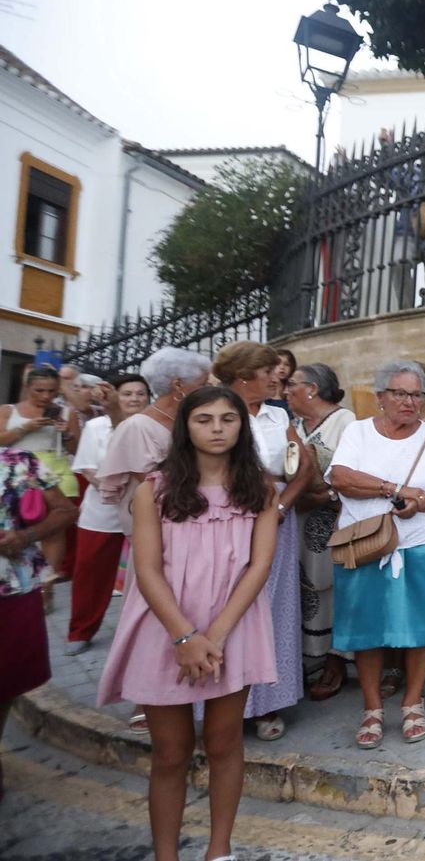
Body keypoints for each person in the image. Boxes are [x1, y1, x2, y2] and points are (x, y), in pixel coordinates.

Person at [95, 386, 279, 861]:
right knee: (171, 751)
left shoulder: (259, 487)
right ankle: (165, 855)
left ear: (242, 426)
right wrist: (185, 636)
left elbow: (259, 566)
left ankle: (219, 851)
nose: (217, 428)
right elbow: (147, 570)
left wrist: (213, 636)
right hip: (165, 625)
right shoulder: (152, 489)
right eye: (204, 419)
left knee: (224, 741)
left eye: (227, 419)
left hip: (231, 624)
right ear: (185, 426)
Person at [328, 361, 425, 747]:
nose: (409, 402)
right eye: (400, 393)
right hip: (365, 545)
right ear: (381, 398)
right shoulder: (358, 433)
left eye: (416, 394)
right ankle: (372, 708)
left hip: (422, 544)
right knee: (365, 628)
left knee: (422, 626)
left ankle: (413, 702)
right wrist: (393, 490)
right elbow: (341, 478)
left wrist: (420, 503)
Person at [94, 348, 213, 734]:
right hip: (158, 543)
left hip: (197, 539)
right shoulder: (139, 428)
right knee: (152, 618)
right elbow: (139, 491)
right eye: (202, 382)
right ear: (178, 386)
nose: (209, 388)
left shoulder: (189, 421)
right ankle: (147, 698)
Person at [213, 342, 312, 741]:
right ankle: (220, 701)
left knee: (274, 611)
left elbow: (303, 466)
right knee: (226, 607)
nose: (278, 378)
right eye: (269, 371)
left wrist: (282, 506)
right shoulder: (217, 411)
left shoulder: (276, 415)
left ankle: (267, 703)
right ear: (244, 376)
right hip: (227, 522)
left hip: (277, 521)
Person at [0, 448, 77, 805]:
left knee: (8, 681)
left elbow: (65, 511)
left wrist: (25, 537)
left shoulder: (18, 462)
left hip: (12, 590)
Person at [64, 373, 150, 655]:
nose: (134, 399)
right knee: (91, 572)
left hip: (145, 511)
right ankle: (81, 630)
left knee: (146, 573)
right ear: (114, 396)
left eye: (140, 393)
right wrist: (117, 488)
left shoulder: (154, 425)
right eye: (127, 394)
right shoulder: (98, 426)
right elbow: (87, 466)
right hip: (102, 509)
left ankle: (141, 633)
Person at [285, 363, 357, 700]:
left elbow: (356, 473)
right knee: (303, 590)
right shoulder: (293, 425)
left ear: (312, 388)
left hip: (333, 521)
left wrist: (323, 495)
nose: (285, 391)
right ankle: (305, 657)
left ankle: (336, 660)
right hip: (295, 523)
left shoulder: (347, 423)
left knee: (333, 588)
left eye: (292, 385)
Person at [0, 366, 82, 586]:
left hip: (56, 472)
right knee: (14, 526)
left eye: (52, 391)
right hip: (16, 474)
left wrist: (66, 433)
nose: (46, 396)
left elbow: (78, 451)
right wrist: (25, 428)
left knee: (54, 530)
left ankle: (46, 586)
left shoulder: (65, 412)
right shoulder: (8, 410)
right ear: (27, 388)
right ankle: (18, 578)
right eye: (39, 390)